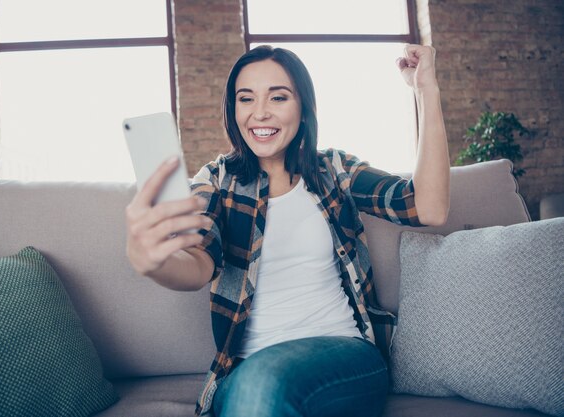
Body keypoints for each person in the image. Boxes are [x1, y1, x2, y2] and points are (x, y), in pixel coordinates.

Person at [126, 44, 449, 417]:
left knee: (267, 384)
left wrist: (426, 91)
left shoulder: (333, 170)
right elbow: (199, 262)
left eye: (278, 97)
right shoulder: (215, 180)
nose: (259, 112)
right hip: (246, 370)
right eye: (245, 98)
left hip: (343, 355)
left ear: (303, 107)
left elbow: (428, 207)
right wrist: (154, 262)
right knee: (259, 390)